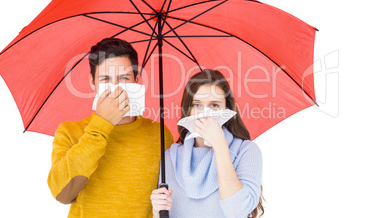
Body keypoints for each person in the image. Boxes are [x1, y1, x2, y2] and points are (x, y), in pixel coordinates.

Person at [47, 38, 174, 218]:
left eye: (124, 78)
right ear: (93, 82)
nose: (116, 88)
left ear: (136, 80)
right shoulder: (70, 132)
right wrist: (102, 124)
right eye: (106, 79)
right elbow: (62, 193)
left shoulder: (159, 134)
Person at [151, 69, 264, 218]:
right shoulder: (169, 158)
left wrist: (219, 144)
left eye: (214, 105)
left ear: (227, 109)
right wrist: (157, 212)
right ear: (188, 110)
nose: (205, 113)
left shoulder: (246, 151)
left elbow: (237, 211)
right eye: (197, 105)